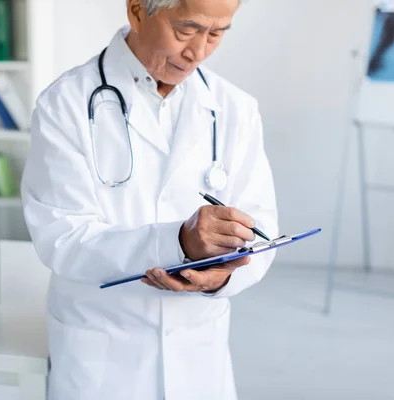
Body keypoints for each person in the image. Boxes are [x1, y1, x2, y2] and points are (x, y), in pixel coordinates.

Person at [21, 0, 279, 399]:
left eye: (216, 33)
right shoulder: (65, 103)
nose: (198, 52)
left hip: (198, 356)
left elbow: (261, 228)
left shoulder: (235, 109)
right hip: (104, 357)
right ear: (138, 10)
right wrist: (178, 242)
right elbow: (62, 236)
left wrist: (223, 276)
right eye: (186, 29)